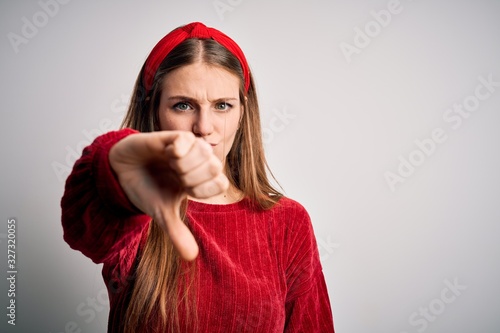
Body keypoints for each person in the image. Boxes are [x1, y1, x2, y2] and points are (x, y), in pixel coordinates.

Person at [61, 22, 334, 333]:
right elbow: (84, 220)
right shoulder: (136, 213)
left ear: (242, 112)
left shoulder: (288, 222)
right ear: (155, 111)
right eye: (183, 105)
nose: (204, 126)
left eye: (222, 106)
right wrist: (114, 166)